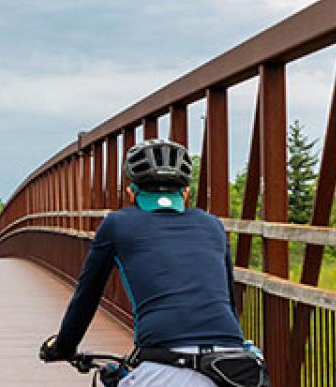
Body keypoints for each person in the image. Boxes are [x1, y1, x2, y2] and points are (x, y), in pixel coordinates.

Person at [39, 139, 269, 387]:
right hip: (233, 367)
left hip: (166, 367)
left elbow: (87, 297)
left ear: (131, 193)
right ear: (185, 194)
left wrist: (63, 347)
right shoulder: (212, 225)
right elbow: (229, 301)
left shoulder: (117, 224)